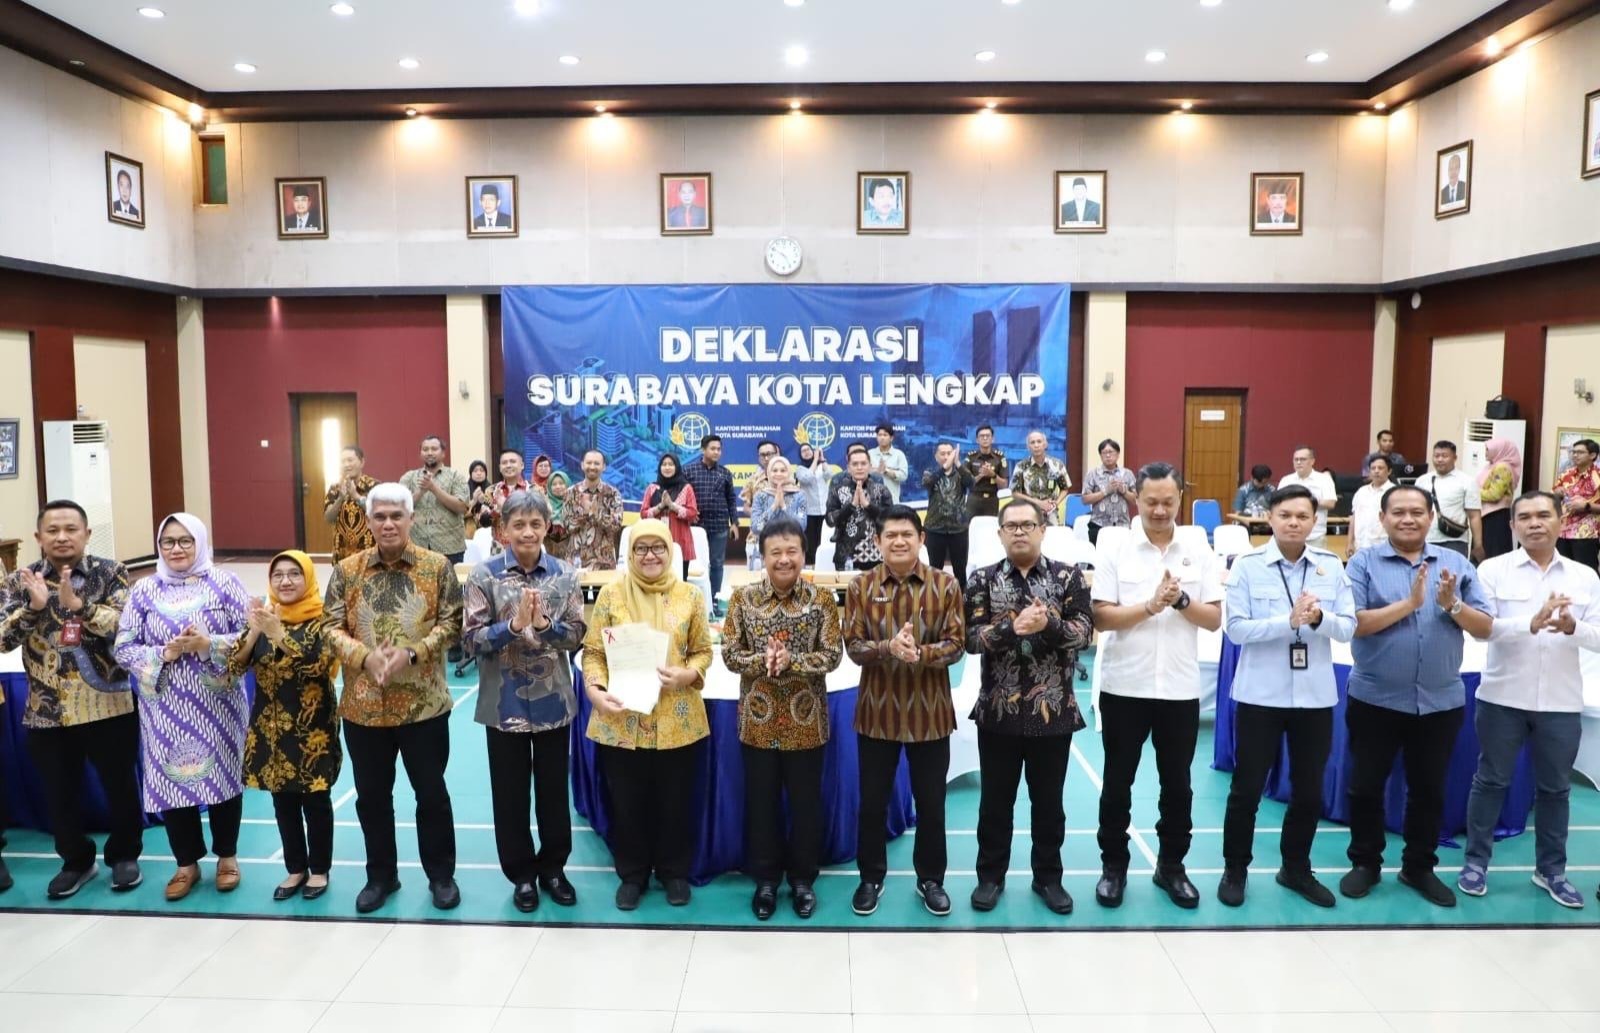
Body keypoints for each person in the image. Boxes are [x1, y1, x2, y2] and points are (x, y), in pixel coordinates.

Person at [1340, 485, 1491, 908]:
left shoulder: (1456, 563)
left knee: (1429, 790)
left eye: (1417, 512)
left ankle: (1419, 867)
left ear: (1431, 517)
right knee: (1366, 786)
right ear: (1383, 519)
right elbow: (1354, 623)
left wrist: (1452, 605)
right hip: (1375, 699)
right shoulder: (1363, 563)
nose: (1408, 519)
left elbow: (1485, 628)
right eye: (1399, 512)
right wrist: (1411, 603)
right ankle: (1365, 863)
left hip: (1440, 702)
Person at [323, 483, 464, 913]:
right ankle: (381, 876)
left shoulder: (437, 567)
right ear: (369, 521)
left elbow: (452, 623)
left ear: (411, 519)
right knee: (371, 799)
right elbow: (329, 627)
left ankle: (441, 876)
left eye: (396, 516)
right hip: (364, 708)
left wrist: (412, 653)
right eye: (380, 516)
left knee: (431, 794)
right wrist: (364, 658)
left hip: (424, 706)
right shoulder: (347, 570)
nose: (388, 524)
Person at [1091, 462, 1224, 910]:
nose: (1160, 510)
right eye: (1151, 502)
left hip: (1179, 690)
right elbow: (1102, 617)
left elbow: (1213, 619)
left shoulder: (1198, 548)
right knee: (1117, 783)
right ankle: (1113, 867)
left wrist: (1181, 600)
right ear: (1137, 500)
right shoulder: (1116, 546)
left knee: (1178, 786)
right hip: (1124, 686)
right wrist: (1150, 606)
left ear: (1180, 499)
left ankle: (1172, 866)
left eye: (1168, 502)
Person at [1459, 490, 1600, 908]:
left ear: (1561, 521)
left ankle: (1551, 870)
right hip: (1502, 697)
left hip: (1561, 702)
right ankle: (1476, 863)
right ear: (1512, 525)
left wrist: (1573, 627)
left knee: (1556, 790)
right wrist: (1530, 623)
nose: (1534, 523)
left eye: (1543, 515)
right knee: (1490, 782)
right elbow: (1481, 629)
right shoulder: (1492, 570)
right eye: (1525, 517)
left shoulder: (1585, 577)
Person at [1220, 486, 1355, 908]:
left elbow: (1348, 627)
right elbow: (1235, 630)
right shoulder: (1247, 566)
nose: (1294, 522)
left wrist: (1318, 618)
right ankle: (1235, 870)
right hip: (1260, 695)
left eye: (1302, 516)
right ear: (1270, 518)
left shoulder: (1330, 567)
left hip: (1314, 698)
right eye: (1285, 515)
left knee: (1309, 791)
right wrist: (1288, 622)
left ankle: (1295, 868)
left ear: (1315, 521)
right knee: (1246, 789)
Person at [0, 500, 142, 899]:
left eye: (70, 529)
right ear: (38, 537)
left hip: (107, 703)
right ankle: (76, 861)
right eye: (53, 530)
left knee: (120, 786)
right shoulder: (21, 581)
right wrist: (34, 609)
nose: (62, 537)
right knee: (59, 793)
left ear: (87, 533)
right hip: (47, 709)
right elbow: (3, 639)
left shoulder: (111, 572)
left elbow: (126, 627)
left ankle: (124, 856)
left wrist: (82, 608)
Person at [964, 498, 1094, 915]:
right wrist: (1011, 628)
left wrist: (1048, 624)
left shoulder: (1068, 577)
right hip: (998, 712)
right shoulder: (982, 579)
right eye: (1011, 526)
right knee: (994, 804)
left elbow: (1084, 633)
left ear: (1042, 530)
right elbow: (969, 638)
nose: (1019, 532)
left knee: (1049, 805)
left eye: (1027, 525)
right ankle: (990, 878)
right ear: (1000, 534)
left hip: (1052, 712)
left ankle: (1048, 879)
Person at [114, 513, 251, 902]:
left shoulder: (225, 583)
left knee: (224, 778)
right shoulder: (144, 590)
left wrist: (209, 645)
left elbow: (251, 636)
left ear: (200, 542)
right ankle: (186, 863)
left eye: (185, 540)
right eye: (168, 542)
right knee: (172, 782)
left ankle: (227, 857)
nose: (176, 548)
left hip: (218, 702)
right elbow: (123, 647)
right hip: (165, 706)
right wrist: (165, 652)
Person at [463, 491, 587, 912]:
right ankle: (521, 876)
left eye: (536, 524)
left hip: (554, 701)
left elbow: (577, 634)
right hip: (503, 704)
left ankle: (553, 869)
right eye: (519, 524)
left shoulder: (565, 575)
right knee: (510, 795)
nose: (528, 532)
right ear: (504, 530)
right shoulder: (484, 576)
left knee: (553, 793)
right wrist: (513, 627)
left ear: (547, 527)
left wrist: (546, 625)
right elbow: (470, 640)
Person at [582, 519, 712, 910]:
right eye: (642, 548)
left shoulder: (690, 595)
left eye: (658, 547)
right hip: (622, 717)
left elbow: (702, 651)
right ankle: (633, 874)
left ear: (670, 551)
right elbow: (593, 652)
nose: (650, 555)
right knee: (627, 801)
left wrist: (688, 674)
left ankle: (674, 873)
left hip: (677, 717)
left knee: (675, 801)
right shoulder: (611, 595)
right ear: (630, 552)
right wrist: (595, 690)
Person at [844, 506, 964, 918]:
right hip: (877, 714)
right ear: (877, 541)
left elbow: (957, 644)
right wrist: (887, 648)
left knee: (931, 803)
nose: (899, 541)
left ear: (921, 539)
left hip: (930, 714)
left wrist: (920, 653)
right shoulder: (860, 586)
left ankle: (931, 879)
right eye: (890, 535)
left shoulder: (945, 585)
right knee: (872, 803)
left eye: (906, 534)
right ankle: (870, 878)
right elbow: (853, 646)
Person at [721, 516, 842, 920]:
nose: (784, 559)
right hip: (758, 724)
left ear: (804, 554)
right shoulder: (743, 599)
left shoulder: (821, 600)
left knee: (807, 807)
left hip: (807, 725)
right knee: (762, 806)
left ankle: (803, 880)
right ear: (763, 556)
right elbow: (729, 654)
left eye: (792, 551)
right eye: (776, 552)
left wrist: (793, 661)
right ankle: (767, 881)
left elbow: (832, 655)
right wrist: (764, 660)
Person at [223, 551, 342, 902]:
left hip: (311, 730)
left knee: (315, 802)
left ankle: (319, 870)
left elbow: (319, 667)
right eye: (278, 575)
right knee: (283, 803)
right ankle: (295, 868)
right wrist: (254, 631)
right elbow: (233, 668)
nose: (285, 581)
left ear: (308, 578)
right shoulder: (265, 617)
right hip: (270, 730)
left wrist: (279, 636)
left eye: (294, 574)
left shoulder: (323, 620)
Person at [683, 434, 740, 615]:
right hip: (695, 527)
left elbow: (731, 499)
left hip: (719, 526)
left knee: (716, 564)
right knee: (693, 565)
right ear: (703, 449)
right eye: (713, 448)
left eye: (719, 449)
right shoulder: (688, 471)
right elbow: (682, 496)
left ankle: (714, 600)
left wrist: (734, 523)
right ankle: (693, 601)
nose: (716, 452)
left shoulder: (725, 473)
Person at [400, 435, 471, 564]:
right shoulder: (409, 477)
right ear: (420, 453)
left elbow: (462, 507)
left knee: (449, 578)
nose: (429, 453)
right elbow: (400, 507)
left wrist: (434, 488)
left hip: (450, 547)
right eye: (425, 449)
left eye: (434, 449)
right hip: (416, 546)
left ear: (443, 453)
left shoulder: (456, 476)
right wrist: (420, 492)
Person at [826, 448, 893, 572]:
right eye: (855, 464)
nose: (859, 467)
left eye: (863, 463)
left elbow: (890, 520)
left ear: (870, 466)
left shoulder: (881, 490)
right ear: (848, 468)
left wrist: (867, 506)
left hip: (876, 556)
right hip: (846, 557)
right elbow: (830, 520)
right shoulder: (837, 490)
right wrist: (851, 506)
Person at [1417, 440, 1484, 562]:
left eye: (1444, 456)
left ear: (1455, 458)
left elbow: (1474, 516)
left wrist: (1478, 545)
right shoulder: (1422, 480)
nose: (1440, 459)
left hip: (1454, 541)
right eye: (1436, 456)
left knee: (1453, 573)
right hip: (1426, 539)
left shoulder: (1467, 481)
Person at [641, 453, 699, 578]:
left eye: (671, 464)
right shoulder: (652, 488)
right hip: (656, 541)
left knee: (680, 580)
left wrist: (673, 506)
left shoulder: (686, 488)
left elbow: (692, 513)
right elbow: (643, 513)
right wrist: (660, 506)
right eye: (664, 464)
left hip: (680, 540)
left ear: (677, 467)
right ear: (660, 467)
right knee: (657, 579)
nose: (667, 467)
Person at [921, 442, 975, 578]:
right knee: (934, 571)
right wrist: (945, 467)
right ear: (936, 456)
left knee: (960, 571)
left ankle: (960, 592)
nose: (946, 457)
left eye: (949, 453)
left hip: (958, 529)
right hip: (934, 528)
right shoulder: (929, 472)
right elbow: (927, 483)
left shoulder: (961, 472)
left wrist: (957, 463)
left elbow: (971, 483)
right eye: (943, 454)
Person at [566, 449, 624, 570]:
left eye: (597, 463)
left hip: (604, 561)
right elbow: (567, 526)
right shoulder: (571, 493)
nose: (592, 467)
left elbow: (616, 525)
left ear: (604, 467)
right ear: (582, 465)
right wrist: (583, 514)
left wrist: (595, 513)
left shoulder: (613, 494)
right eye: (589, 463)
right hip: (576, 560)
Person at [749, 456, 807, 573]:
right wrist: (774, 506)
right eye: (774, 470)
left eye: (783, 470)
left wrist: (784, 506)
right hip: (768, 550)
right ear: (768, 473)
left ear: (789, 472)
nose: (778, 474)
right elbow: (756, 527)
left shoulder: (799, 495)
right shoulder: (760, 496)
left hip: (792, 550)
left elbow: (801, 526)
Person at [324, 445, 378, 560]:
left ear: (362, 462)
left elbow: (378, 514)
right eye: (342, 461)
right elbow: (328, 518)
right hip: (342, 554)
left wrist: (356, 496)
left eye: (350, 460)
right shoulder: (335, 488)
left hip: (369, 553)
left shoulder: (374, 486)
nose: (346, 464)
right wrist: (340, 499)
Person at [1554, 438, 1600, 571]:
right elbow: (1552, 495)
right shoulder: (1567, 474)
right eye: (1573, 452)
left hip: (1586, 534)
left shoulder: (1597, 476)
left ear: (1592, 455)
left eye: (1580, 452)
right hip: (1562, 532)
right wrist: (1557, 493)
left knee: (1585, 572)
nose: (1575, 455)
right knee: (1561, 571)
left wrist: (1586, 506)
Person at [1081, 438, 1137, 543]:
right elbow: (1085, 499)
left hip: (1122, 526)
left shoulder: (1127, 474)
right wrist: (1105, 491)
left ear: (1118, 454)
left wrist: (1124, 491)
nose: (1108, 455)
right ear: (1100, 455)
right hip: (1098, 525)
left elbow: (1136, 500)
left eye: (1111, 452)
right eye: (1104, 453)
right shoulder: (1093, 474)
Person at [1278, 447, 1337, 544]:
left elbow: (1330, 503)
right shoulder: (1286, 480)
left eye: (1302, 459)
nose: (1298, 462)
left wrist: (1305, 501)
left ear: (1312, 461)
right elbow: (1278, 503)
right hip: (1290, 535)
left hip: (1315, 535)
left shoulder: (1324, 479)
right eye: (1296, 459)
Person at [1011, 431, 1072, 525]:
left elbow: (1065, 488)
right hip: (1028, 512)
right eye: (1032, 442)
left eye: (1039, 441)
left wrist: (1055, 503)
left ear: (1045, 444)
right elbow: (1015, 493)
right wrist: (1038, 503)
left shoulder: (1057, 464)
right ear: (1028, 446)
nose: (1036, 445)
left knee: (1053, 533)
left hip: (1050, 512)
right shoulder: (1021, 466)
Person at [1476, 438, 1522, 560]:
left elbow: (1494, 494)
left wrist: (1472, 493)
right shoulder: (1491, 466)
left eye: (1488, 450)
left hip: (1495, 516)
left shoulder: (1503, 468)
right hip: (1486, 514)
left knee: (1494, 554)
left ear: (1498, 450)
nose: (1485, 453)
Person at [796, 442, 836, 565]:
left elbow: (829, 474)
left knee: (823, 539)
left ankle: (823, 565)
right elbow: (807, 478)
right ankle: (810, 564)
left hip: (824, 509)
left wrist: (822, 459)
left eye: (808, 449)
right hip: (809, 511)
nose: (807, 452)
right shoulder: (800, 469)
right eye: (803, 451)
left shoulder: (820, 466)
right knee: (811, 540)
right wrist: (815, 460)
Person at [1347, 454, 1394, 558]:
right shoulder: (1361, 491)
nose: (1376, 471)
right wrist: (1350, 542)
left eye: (1380, 468)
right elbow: (1354, 517)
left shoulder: (1394, 492)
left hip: (1383, 546)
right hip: (1360, 546)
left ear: (1389, 471)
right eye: (1373, 468)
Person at [965, 424, 1009, 519]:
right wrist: (981, 475)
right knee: (970, 526)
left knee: (990, 526)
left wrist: (992, 475)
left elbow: (1004, 485)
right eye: (982, 436)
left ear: (993, 439)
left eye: (987, 436)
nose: (985, 438)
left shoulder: (1000, 457)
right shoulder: (971, 457)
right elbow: (966, 483)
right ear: (977, 440)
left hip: (992, 500)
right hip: (974, 499)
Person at [869, 425, 909, 504]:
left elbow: (904, 476)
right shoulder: (869, 453)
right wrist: (876, 471)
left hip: (892, 501)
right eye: (879, 435)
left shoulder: (899, 454)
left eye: (885, 435)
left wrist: (886, 471)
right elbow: (864, 472)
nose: (882, 438)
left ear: (891, 438)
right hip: (872, 501)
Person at [742, 440, 782, 512]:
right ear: (759, 458)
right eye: (762, 455)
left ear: (777, 455)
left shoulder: (788, 479)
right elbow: (746, 508)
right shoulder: (752, 480)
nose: (766, 458)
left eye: (769, 454)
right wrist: (759, 516)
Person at [544, 469, 574, 561]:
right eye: (554, 484)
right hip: (548, 554)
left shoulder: (574, 503)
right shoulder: (543, 504)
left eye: (561, 483)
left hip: (571, 554)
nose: (558, 487)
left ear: (567, 484)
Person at [467, 460, 495, 531]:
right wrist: (474, 500)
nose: (479, 473)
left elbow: (497, 509)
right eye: (475, 471)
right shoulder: (464, 489)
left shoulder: (492, 489)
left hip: (489, 529)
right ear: (470, 473)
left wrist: (484, 500)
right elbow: (460, 511)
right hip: (469, 530)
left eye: (482, 471)